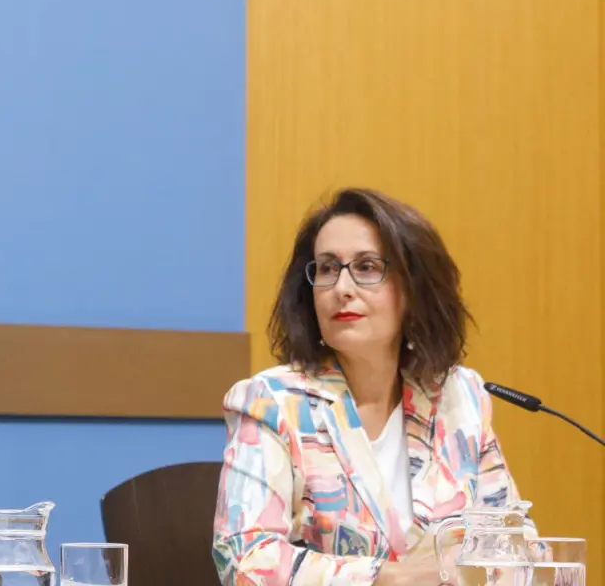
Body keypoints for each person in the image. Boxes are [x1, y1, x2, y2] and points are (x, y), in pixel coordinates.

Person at [211, 188, 528, 586]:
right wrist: (391, 579)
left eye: (366, 266)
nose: (341, 287)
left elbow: (516, 544)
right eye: (327, 269)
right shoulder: (273, 402)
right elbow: (245, 557)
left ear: (413, 289)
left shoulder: (460, 397)